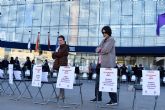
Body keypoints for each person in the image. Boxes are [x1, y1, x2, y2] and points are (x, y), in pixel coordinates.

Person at [90, 26, 118, 105]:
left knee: (109, 83)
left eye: (105, 32)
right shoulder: (103, 41)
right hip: (100, 64)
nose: (104, 34)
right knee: (98, 82)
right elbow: (96, 49)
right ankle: (98, 98)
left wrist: (100, 50)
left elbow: (106, 50)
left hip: (108, 65)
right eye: (103, 32)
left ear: (108, 32)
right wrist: (100, 49)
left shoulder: (111, 40)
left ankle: (114, 100)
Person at [52, 35, 69, 99]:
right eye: (58, 40)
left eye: (61, 40)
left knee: (62, 81)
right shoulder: (59, 47)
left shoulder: (65, 47)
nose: (59, 41)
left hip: (62, 66)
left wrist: (54, 53)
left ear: (64, 40)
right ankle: (60, 94)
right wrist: (55, 54)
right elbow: (54, 56)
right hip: (58, 65)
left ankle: (62, 95)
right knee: (59, 81)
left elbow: (59, 54)